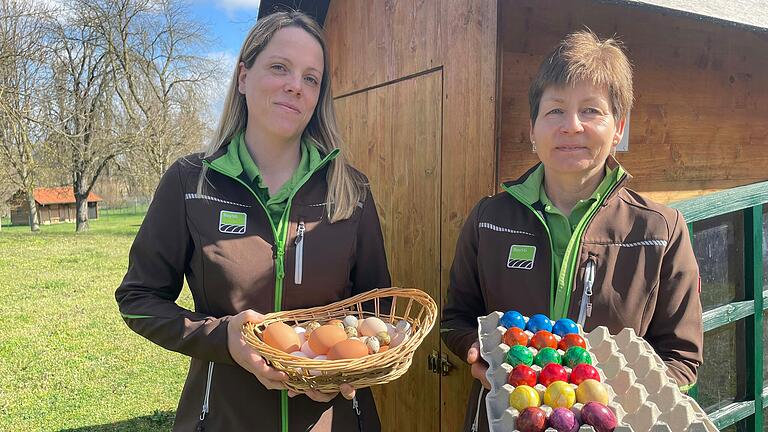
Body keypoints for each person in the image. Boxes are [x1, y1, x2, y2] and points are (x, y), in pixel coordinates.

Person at [115, 11, 390, 432]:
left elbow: (379, 312)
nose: (295, 85)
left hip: (333, 420)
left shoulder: (350, 191)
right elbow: (138, 301)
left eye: (311, 78)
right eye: (279, 67)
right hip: (223, 418)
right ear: (243, 76)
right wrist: (222, 336)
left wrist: (347, 370)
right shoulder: (191, 183)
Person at [441, 30, 703, 431]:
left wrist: (628, 402)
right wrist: (477, 354)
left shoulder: (659, 230)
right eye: (555, 111)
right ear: (532, 130)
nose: (572, 126)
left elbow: (681, 355)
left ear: (618, 128)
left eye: (592, 111)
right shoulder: (489, 220)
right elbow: (456, 318)